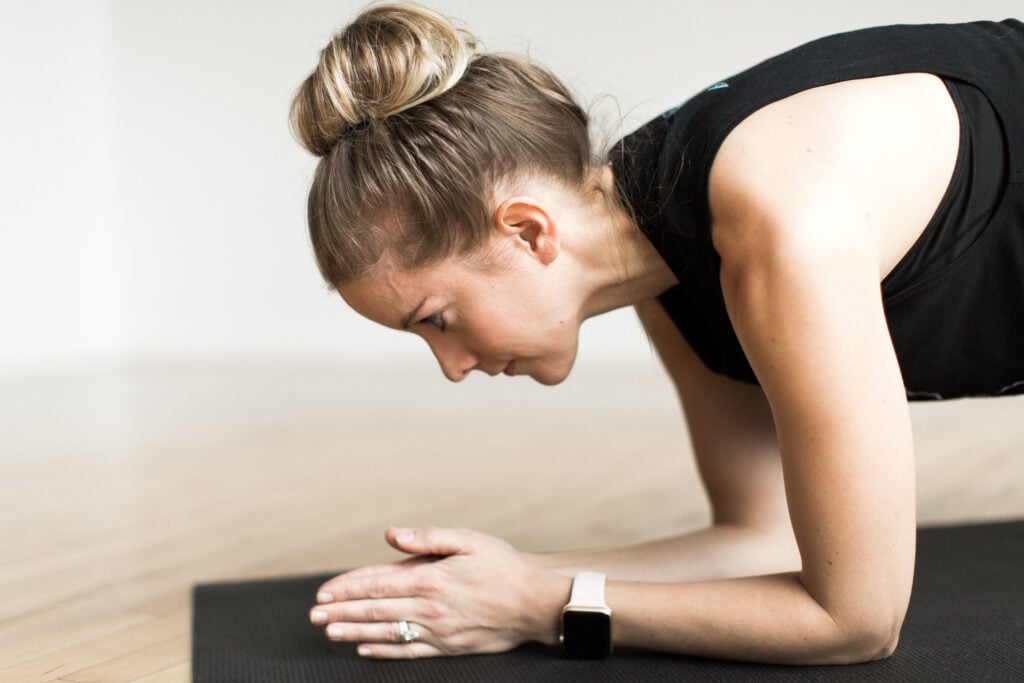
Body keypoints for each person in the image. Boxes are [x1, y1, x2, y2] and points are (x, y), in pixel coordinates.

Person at [290, 2, 1024, 664]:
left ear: (525, 230)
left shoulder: (777, 227)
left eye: (436, 320)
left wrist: (537, 607)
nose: (451, 366)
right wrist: (509, 576)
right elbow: (761, 537)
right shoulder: (661, 242)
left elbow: (857, 620)